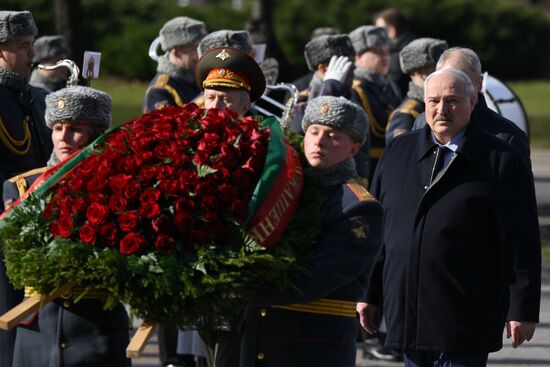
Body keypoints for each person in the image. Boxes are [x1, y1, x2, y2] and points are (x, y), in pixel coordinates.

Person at [358, 67, 541, 367]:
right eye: (434, 101)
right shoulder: (398, 152)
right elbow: (379, 230)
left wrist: (522, 308)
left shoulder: (501, 159)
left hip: (466, 312)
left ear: (473, 102)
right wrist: (369, 292)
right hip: (407, 314)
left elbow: (522, 240)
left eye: (453, 100)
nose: (442, 109)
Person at [239, 95, 382, 367]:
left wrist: (240, 288)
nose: (319, 142)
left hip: (314, 348)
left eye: (333, 136)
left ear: (354, 148)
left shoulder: (357, 207)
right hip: (261, 336)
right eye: (313, 132)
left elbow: (319, 277)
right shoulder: (282, 189)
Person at [3, 86, 132, 367]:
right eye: (58, 127)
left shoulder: (122, 189)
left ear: (96, 133)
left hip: (97, 332)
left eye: (75, 128)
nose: (63, 137)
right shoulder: (22, 187)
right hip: (37, 335)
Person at [193, 46, 266, 367]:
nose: (216, 106)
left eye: (226, 98)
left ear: (246, 104)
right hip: (197, 270)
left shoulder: (265, 146)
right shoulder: (188, 142)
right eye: (211, 97)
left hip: (244, 270)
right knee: (209, 352)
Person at [0, 10, 53, 367]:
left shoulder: (31, 95)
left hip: (34, 222)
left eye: (31, 45)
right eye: (22, 46)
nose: (32, 54)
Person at [412, 47, 531, 171]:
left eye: (461, 80)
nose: (451, 84)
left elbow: (517, 189)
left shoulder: (508, 138)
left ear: (479, 84)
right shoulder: (422, 123)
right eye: (446, 77)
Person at [287, 34, 371, 187]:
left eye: (352, 62)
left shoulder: (354, 95)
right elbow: (298, 148)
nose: (353, 68)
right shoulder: (302, 102)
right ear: (324, 68)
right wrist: (330, 88)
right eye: (345, 63)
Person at [348, 25, 402, 185]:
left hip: (390, 165)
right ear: (357, 56)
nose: (385, 57)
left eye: (387, 51)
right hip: (367, 170)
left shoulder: (390, 85)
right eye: (377, 52)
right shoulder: (354, 89)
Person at [385, 37, 448, 143]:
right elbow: (400, 155)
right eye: (436, 67)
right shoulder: (406, 114)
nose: (443, 72)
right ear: (418, 72)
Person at [143, 16, 207, 113]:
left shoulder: (195, 78)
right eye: (195, 48)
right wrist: (205, 98)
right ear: (176, 52)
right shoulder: (159, 90)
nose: (201, 54)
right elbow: (168, 126)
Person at [373, 8, 416, 96]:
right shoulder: (414, 45)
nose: (375, 35)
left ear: (391, 31)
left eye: (379, 30)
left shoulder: (396, 58)